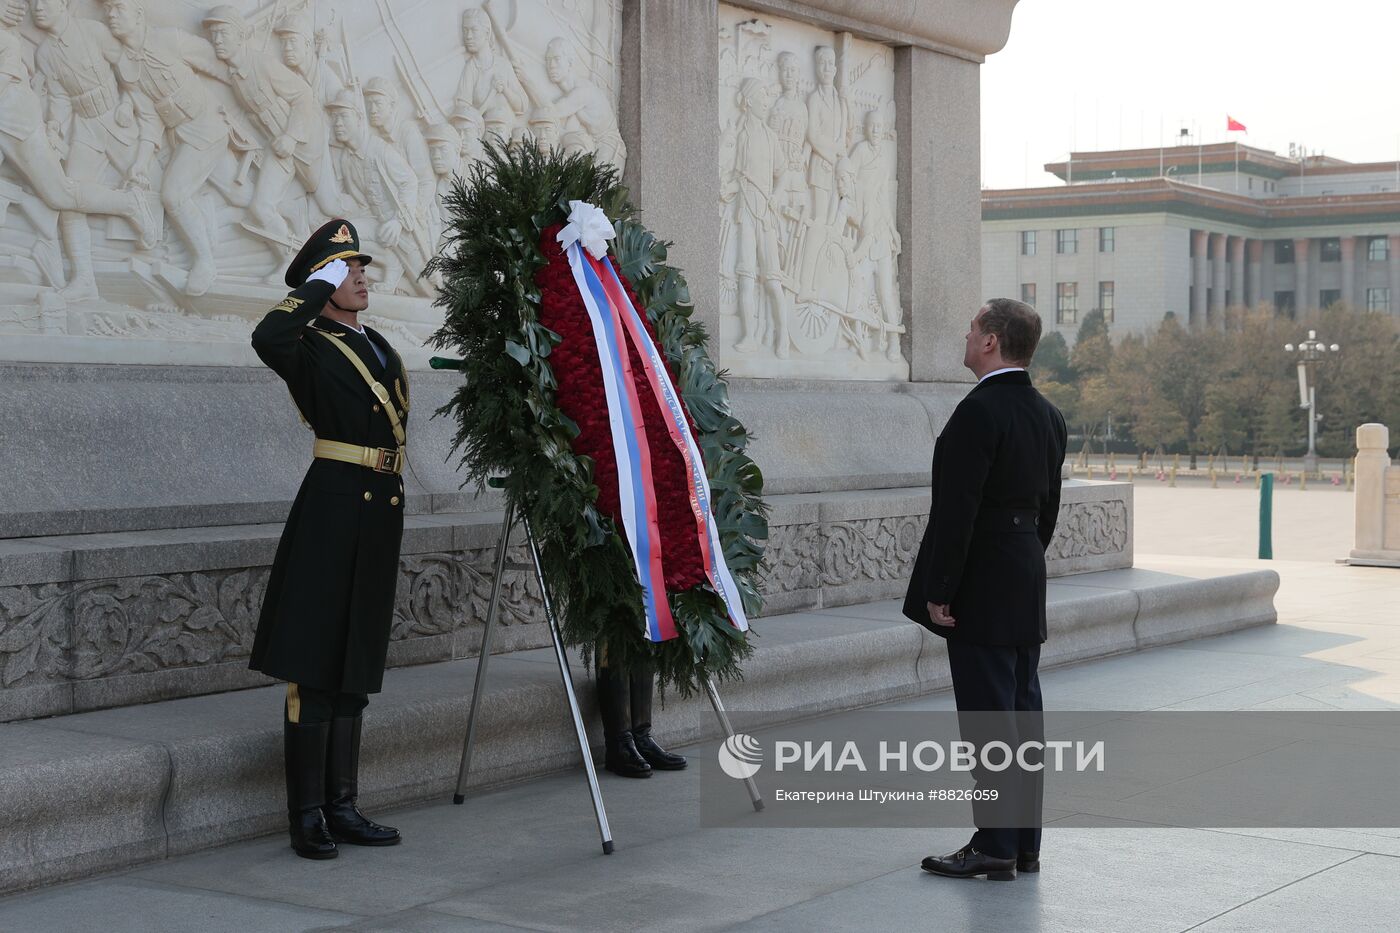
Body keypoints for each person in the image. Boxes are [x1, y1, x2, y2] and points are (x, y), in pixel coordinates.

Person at [250, 219, 410, 860]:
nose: (361, 278)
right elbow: (266, 336)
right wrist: (312, 291)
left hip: (379, 510)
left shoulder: (380, 347)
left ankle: (344, 805)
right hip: (333, 505)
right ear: (322, 281)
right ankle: (307, 814)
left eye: (361, 269)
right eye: (346, 271)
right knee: (315, 661)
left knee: (356, 660)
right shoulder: (308, 345)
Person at [903, 298, 1067, 881]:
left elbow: (957, 510)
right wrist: (1021, 557)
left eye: (972, 327)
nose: (966, 335)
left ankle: (994, 844)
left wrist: (941, 586)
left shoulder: (977, 412)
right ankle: (1023, 843)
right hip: (1024, 570)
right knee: (1022, 713)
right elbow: (1047, 510)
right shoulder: (1047, 414)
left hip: (981, 577)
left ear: (992, 341)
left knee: (988, 718)